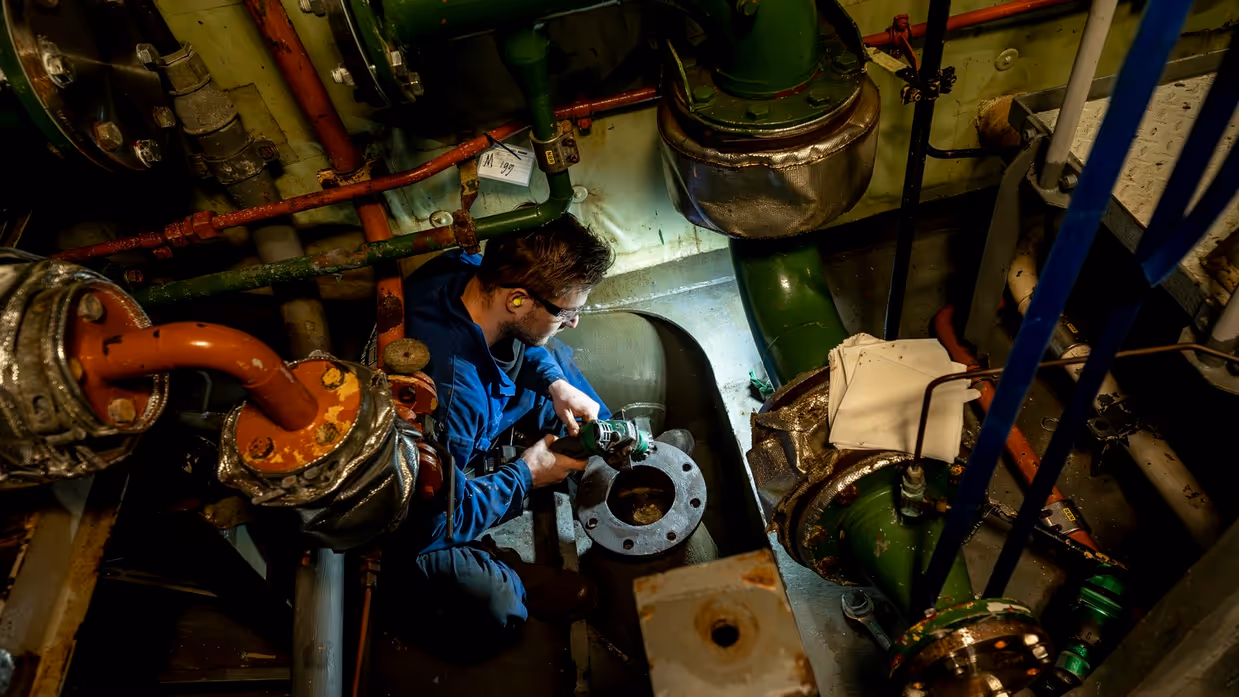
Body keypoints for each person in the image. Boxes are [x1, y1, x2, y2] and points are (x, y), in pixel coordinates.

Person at [390, 214, 615, 646]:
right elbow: (429, 523)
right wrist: (526, 475)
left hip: (469, 412)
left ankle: (606, 456)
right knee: (498, 607)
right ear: (517, 300)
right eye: (566, 312)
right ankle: (501, 564)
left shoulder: (465, 268)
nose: (574, 321)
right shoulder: (453, 401)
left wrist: (555, 382)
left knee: (557, 359)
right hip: (413, 520)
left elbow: (524, 342)